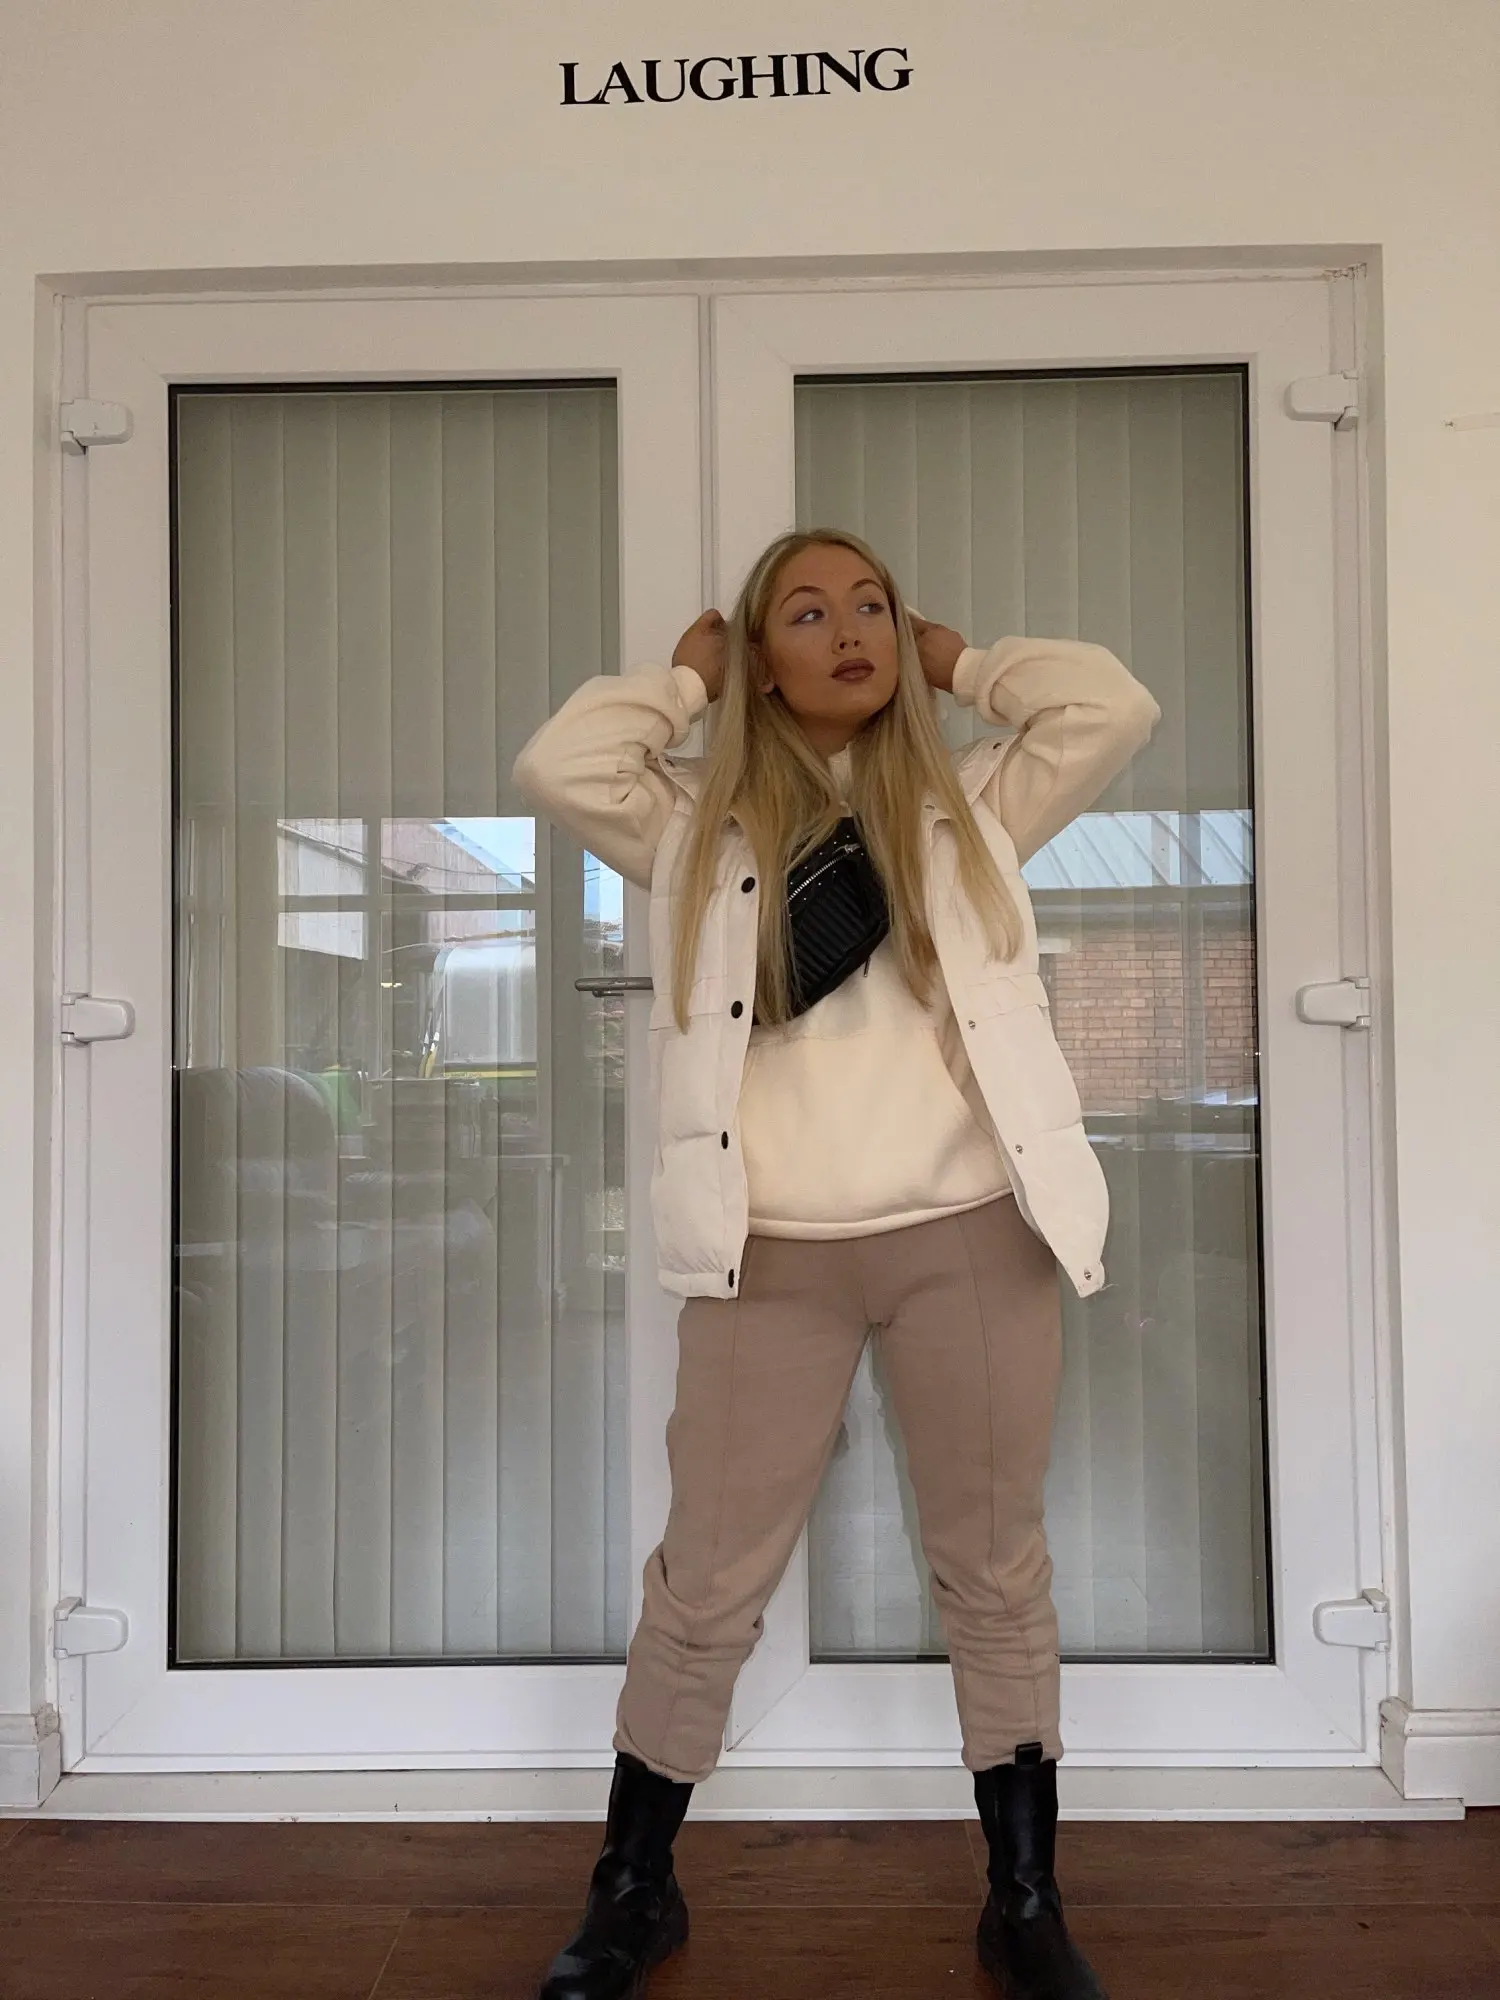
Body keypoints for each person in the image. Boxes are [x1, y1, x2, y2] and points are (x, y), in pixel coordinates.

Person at [511, 527, 1161, 2000]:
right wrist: (683, 684)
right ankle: (632, 1893)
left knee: (992, 1568)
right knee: (705, 1581)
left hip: (970, 1238)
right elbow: (561, 765)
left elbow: (1110, 706)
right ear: (761, 652)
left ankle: (1023, 1901)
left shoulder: (972, 801)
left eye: (872, 606)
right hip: (771, 1257)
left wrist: (963, 661)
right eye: (807, 613)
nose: (851, 630)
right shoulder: (695, 823)